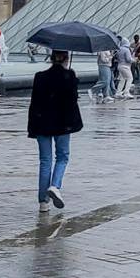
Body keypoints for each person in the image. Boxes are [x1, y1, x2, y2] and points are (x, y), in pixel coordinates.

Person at [28, 49, 83, 214]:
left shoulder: (39, 76)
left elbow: (34, 104)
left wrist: (32, 128)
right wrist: (73, 79)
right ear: (66, 58)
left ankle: (43, 203)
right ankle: (55, 185)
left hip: (42, 124)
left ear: (51, 59)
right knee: (62, 157)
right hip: (62, 125)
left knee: (45, 161)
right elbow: (73, 101)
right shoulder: (70, 76)